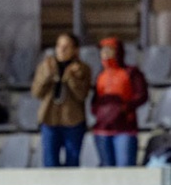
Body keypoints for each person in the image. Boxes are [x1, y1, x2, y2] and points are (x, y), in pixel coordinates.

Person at [31, 32, 92, 167]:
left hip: (73, 121)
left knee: (72, 161)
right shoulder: (46, 66)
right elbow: (37, 92)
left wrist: (70, 77)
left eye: (66, 47)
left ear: (75, 49)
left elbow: (81, 95)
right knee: (50, 161)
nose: (62, 50)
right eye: (59, 46)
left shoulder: (82, 69)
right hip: (49, 119)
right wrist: (48, 75)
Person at [91, 36, 148, 167]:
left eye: (109, 50)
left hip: (125, 128)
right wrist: (98, 112)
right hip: (102, 129)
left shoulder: (130, 72)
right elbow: (95, 99)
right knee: (107, 169)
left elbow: (141, 95)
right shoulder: (101, 75)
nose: (105, 54)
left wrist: (123, 108)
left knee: (125, 167)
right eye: (103, 50)